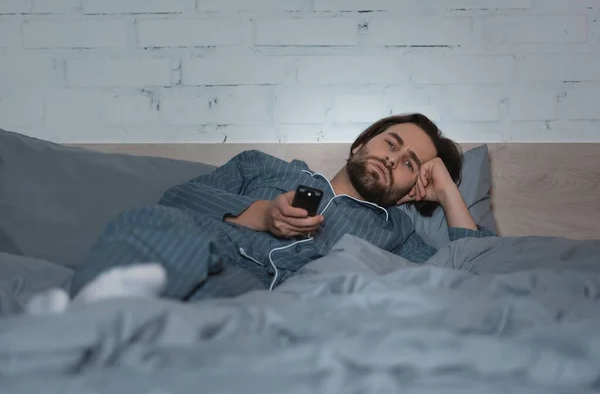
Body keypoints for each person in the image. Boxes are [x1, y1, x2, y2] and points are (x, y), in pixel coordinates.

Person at [27, 114, 496, 313]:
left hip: (272, 304)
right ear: (360, 144)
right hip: (207, 252)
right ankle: (91, 311)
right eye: (391, 144)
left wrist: (447, 192)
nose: (394, 159)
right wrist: (256, 215)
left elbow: (473, 272)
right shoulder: (260, 166)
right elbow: (174, 200)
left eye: (410, 163)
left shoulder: (395, 234)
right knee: (150, 226)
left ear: (412, 189)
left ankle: (99, 318)